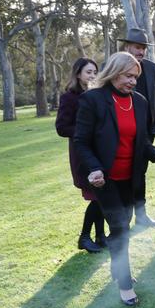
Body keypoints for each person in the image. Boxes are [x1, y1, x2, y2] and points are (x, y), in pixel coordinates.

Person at [74, 52, 155, 306]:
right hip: (105, 179)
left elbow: (141, 141)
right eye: (128, 76)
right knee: (119, 228)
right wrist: (93, 168)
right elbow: (81, 141)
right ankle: (125, 283)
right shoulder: (93, 100)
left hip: (131, 177)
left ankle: (117, 269)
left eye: (135, 77)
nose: (133, 81)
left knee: (123, 224)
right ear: (114, 72)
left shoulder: (139, 101)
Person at [56, 57, 105, 253]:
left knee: (101, 194)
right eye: (88, 72)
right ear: (78, 74)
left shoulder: (98, 95)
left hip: (100, 152)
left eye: (95, 72)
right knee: (96, 197)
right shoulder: (69, 97)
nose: (92, 75)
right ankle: (84, 237)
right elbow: (61, 127)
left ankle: (100, 236)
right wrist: (85, 130)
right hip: (82, 154)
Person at [118, 28, 155, 227]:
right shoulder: (114, 68)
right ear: (127, 46)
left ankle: (141, 216)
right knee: (121, 176)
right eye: (137, 47)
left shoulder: (152, 68)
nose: (141, 51)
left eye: (143, 48)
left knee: (140, 174)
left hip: (146, 134)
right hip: (123, 133)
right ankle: (120, 221)